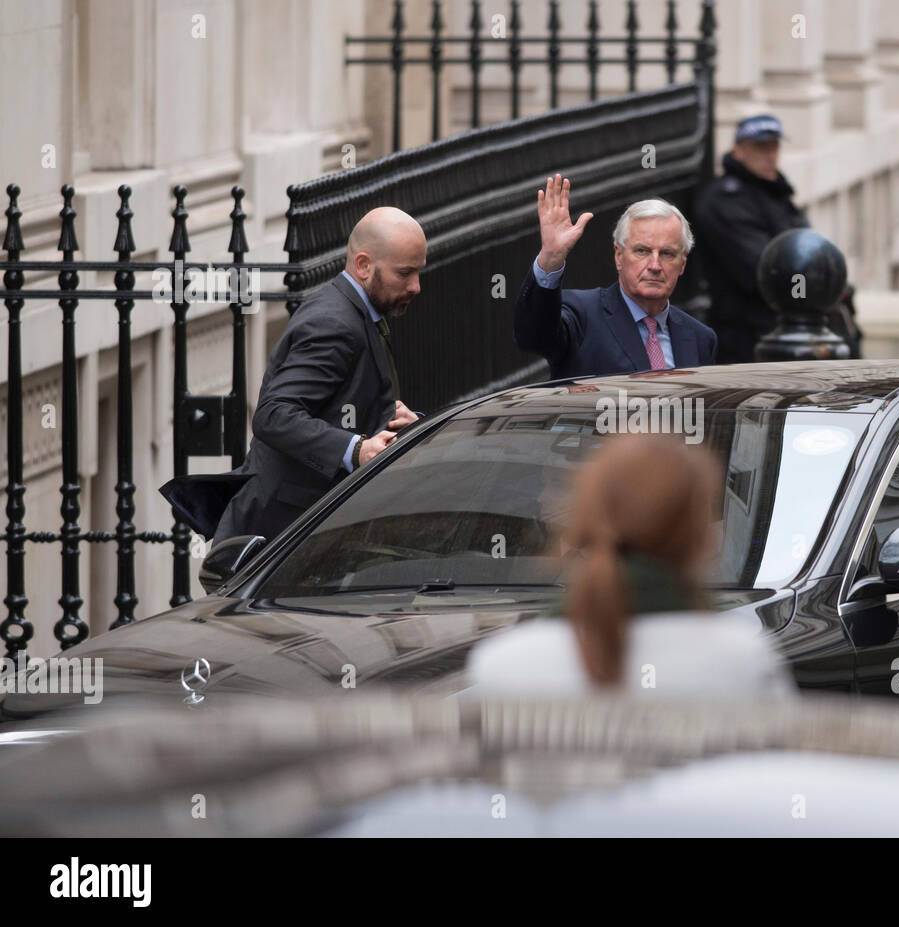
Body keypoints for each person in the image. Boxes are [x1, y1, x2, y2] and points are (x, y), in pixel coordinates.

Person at [466, 434, 795, 698]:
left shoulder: (503, 665)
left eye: (555, 485)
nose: (540, 499)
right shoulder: (741, 661)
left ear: (582, 514)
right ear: (697, 535)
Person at [200, 207, 426, 542]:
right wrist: (357, 449)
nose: (416, 286)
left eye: (419, 272)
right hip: (276, 539)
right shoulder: (334, 323)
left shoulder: (359, 311)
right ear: (364, 265)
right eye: (405, 273)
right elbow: (274, 416)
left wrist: (402, 422)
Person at [693, 114, 861, 362]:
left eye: (774, 147)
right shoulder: (725, 200)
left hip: (796, 331)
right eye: (761, 148)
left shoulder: (775, 192)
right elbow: (767, 270)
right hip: (756, 338)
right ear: (738, 151)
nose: (770, 155)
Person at [513, 175, 717, 378]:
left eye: (667, 254)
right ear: (619, 256)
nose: (655, 266)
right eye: (642, 251)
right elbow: (533, 338)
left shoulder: (700, 338)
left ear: (682, 263)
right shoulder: (582, 316)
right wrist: (550, 259)